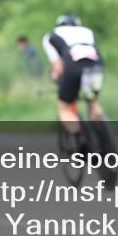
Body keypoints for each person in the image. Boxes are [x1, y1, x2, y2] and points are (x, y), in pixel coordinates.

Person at [42, 13, 105, 145]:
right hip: (96, 66)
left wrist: (55, 77)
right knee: (92, 101)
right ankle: (105, 139)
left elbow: (58, 66)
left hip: (73, 67)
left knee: (64, 107)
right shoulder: (87, 32)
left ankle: (82, 139)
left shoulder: (52, 35)